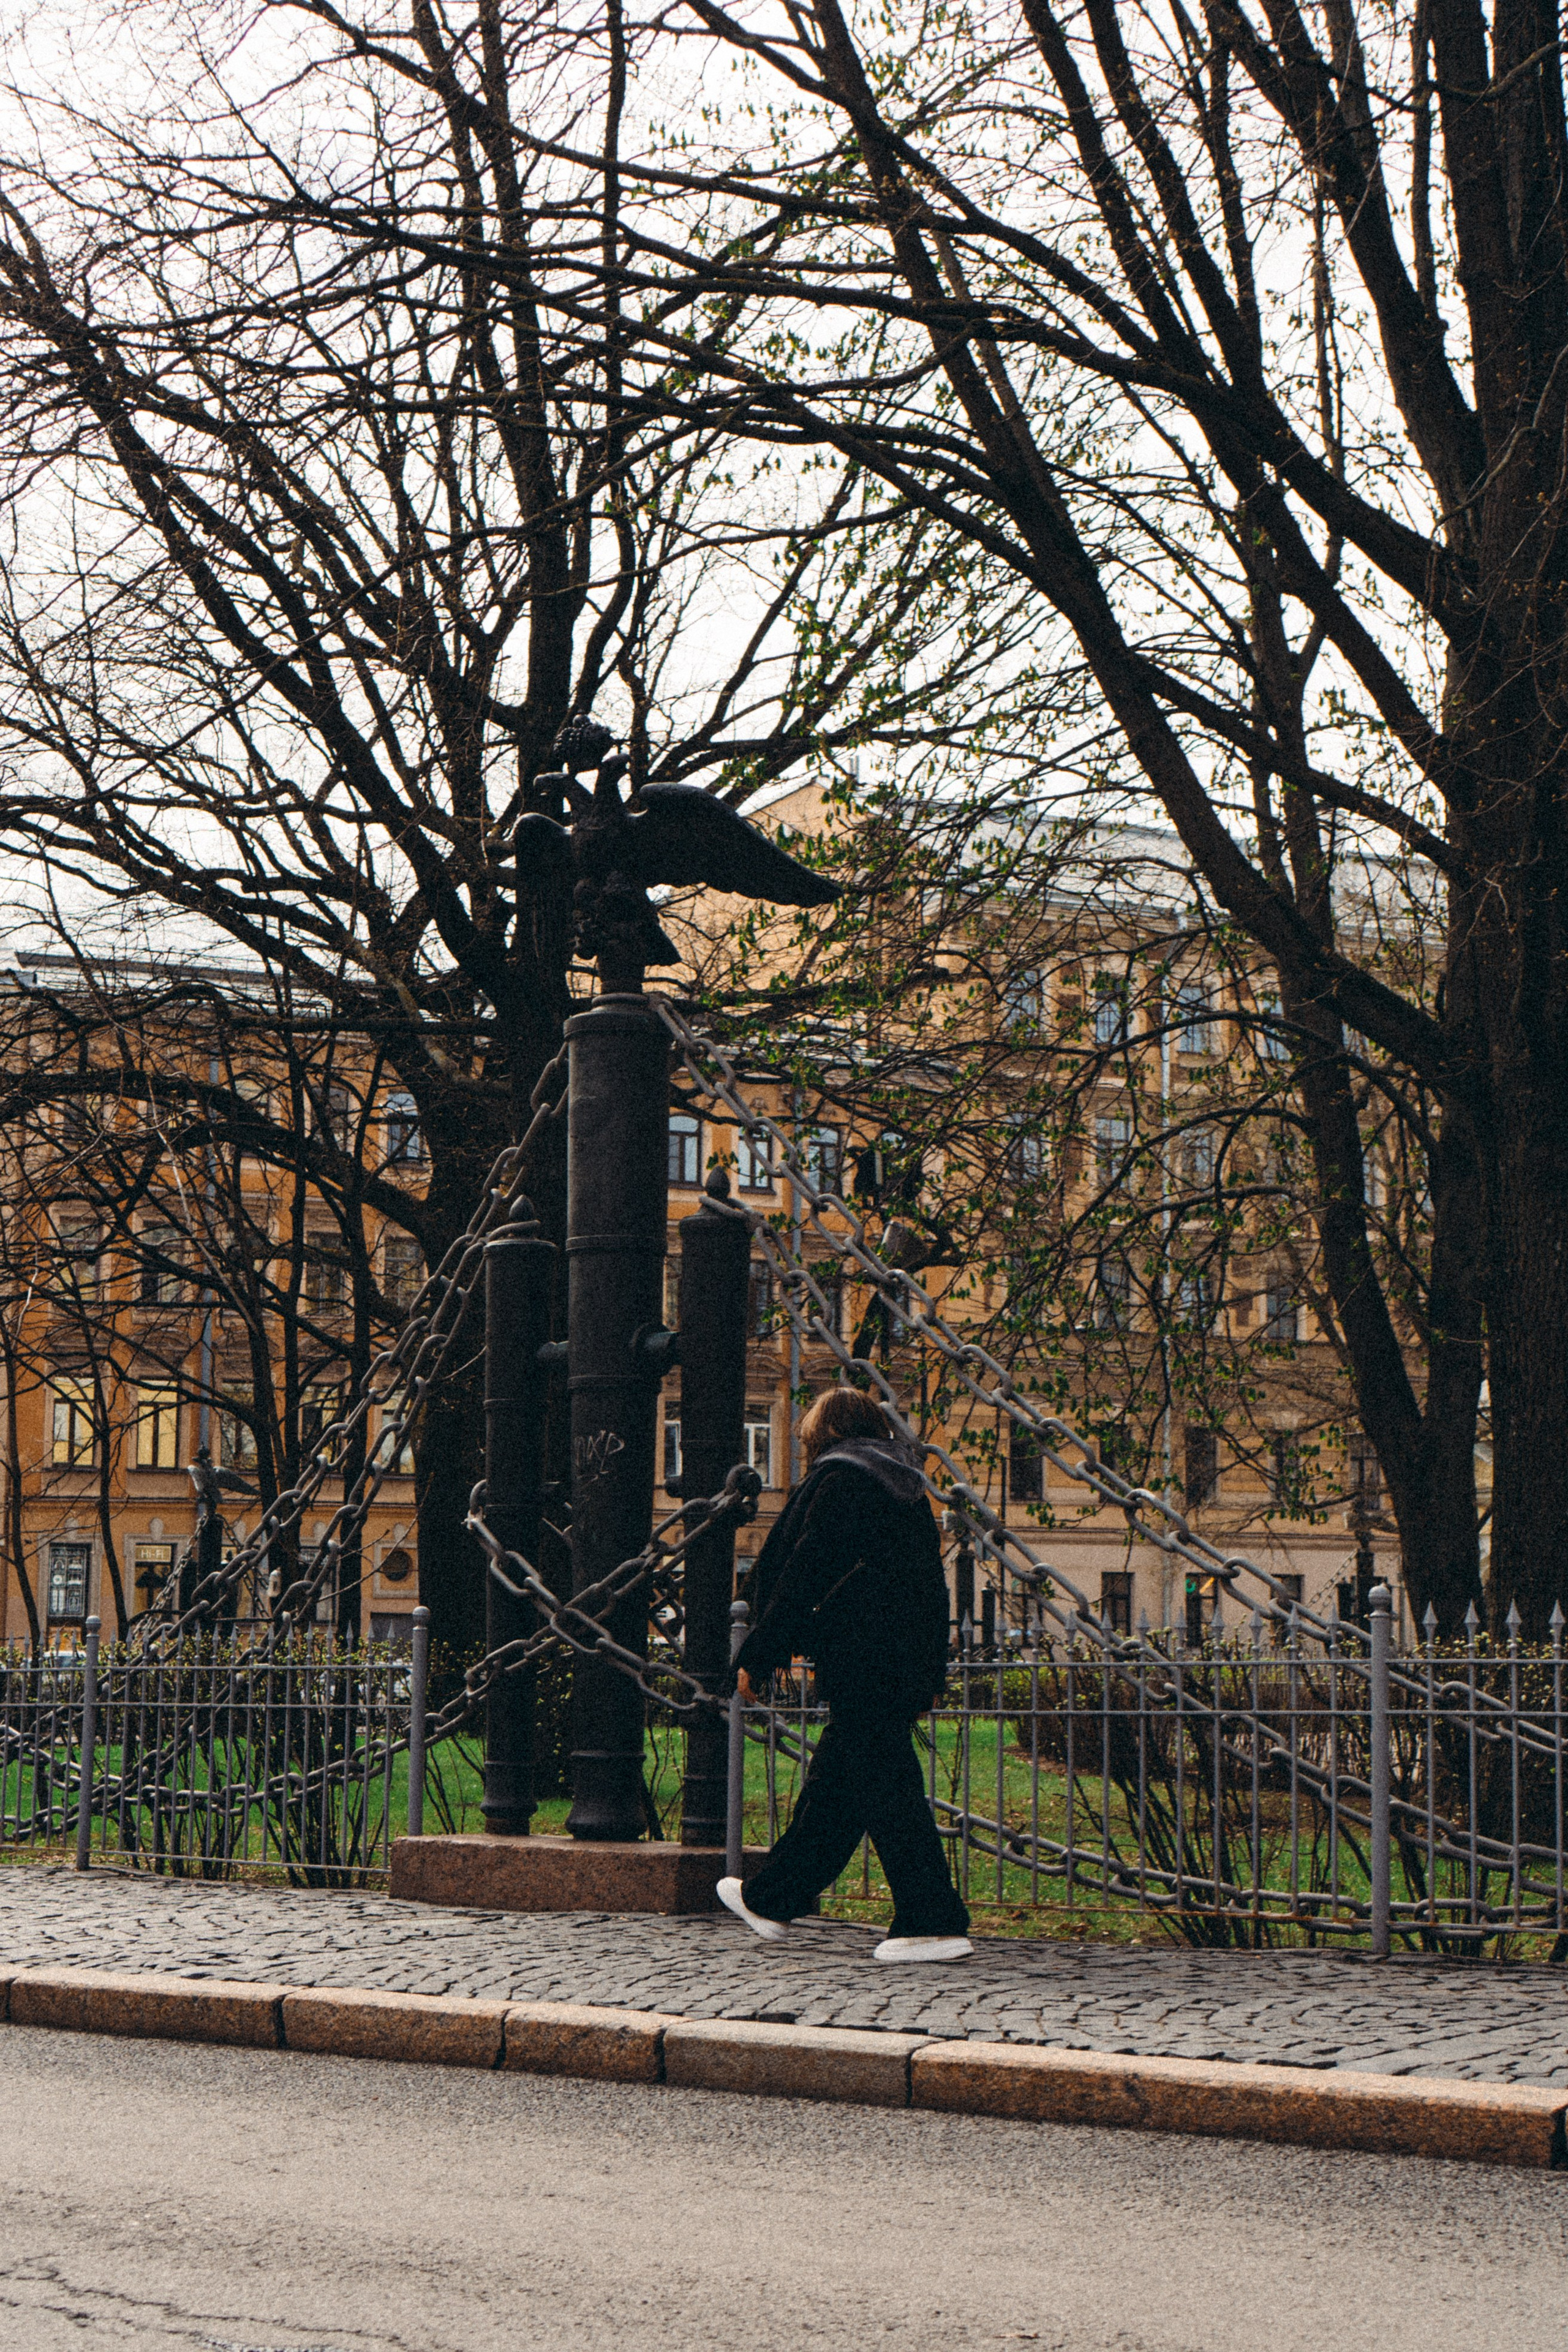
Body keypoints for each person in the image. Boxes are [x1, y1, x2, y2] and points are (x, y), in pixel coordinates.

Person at [717, 1387, 971, 1962]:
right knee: (841, 1789)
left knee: (886, 1789)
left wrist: (758, 1653)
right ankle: (773, 1898)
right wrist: (931, 1673)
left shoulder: (841, 1482)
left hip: (861, 1660)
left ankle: (933, 1920)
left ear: (822, 1435)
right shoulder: (905, 1487)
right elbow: (932, 1590)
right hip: (897, 1664)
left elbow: (802, 1574)